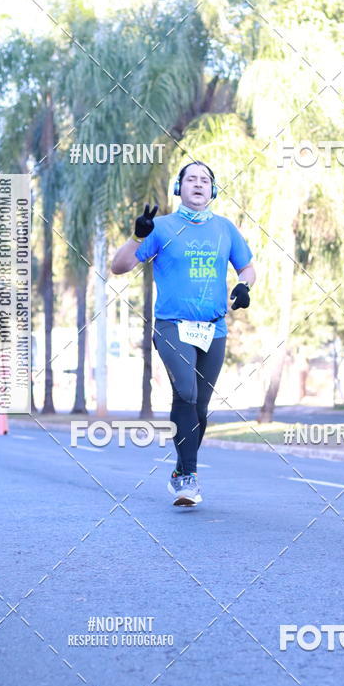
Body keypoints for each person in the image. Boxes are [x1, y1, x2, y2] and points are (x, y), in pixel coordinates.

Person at [111, 161, 256, 506]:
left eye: (205, 180)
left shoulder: (225, 229)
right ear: (179, 188)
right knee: (186, 392)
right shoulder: (160, 227)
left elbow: (247, 267)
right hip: (172, 326)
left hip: (214, 328)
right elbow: (119, 267)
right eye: (191, 179)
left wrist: (243, 286)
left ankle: (180, 470)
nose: (198, 184)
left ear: (213, 190)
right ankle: (189, 477)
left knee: (200, 409)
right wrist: (137, 237)